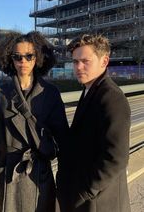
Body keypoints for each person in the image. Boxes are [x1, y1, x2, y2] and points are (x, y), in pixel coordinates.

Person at [0, 31, 69, 212]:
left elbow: (62, 136)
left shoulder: (50, 93)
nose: (23, 61)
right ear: (10, 59)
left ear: (38, 58)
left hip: (38, 171)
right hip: (8, 172)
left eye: (29, 56)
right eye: (17, 57)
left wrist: (69, 177)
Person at [56, 34, 131, 212]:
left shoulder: (112, 98)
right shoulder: (91, 90)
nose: (78, 67)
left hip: (99, 202)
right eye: (75, 62)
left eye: (85, 61)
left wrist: (86, 191)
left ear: (104, 61)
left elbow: (116, 157)